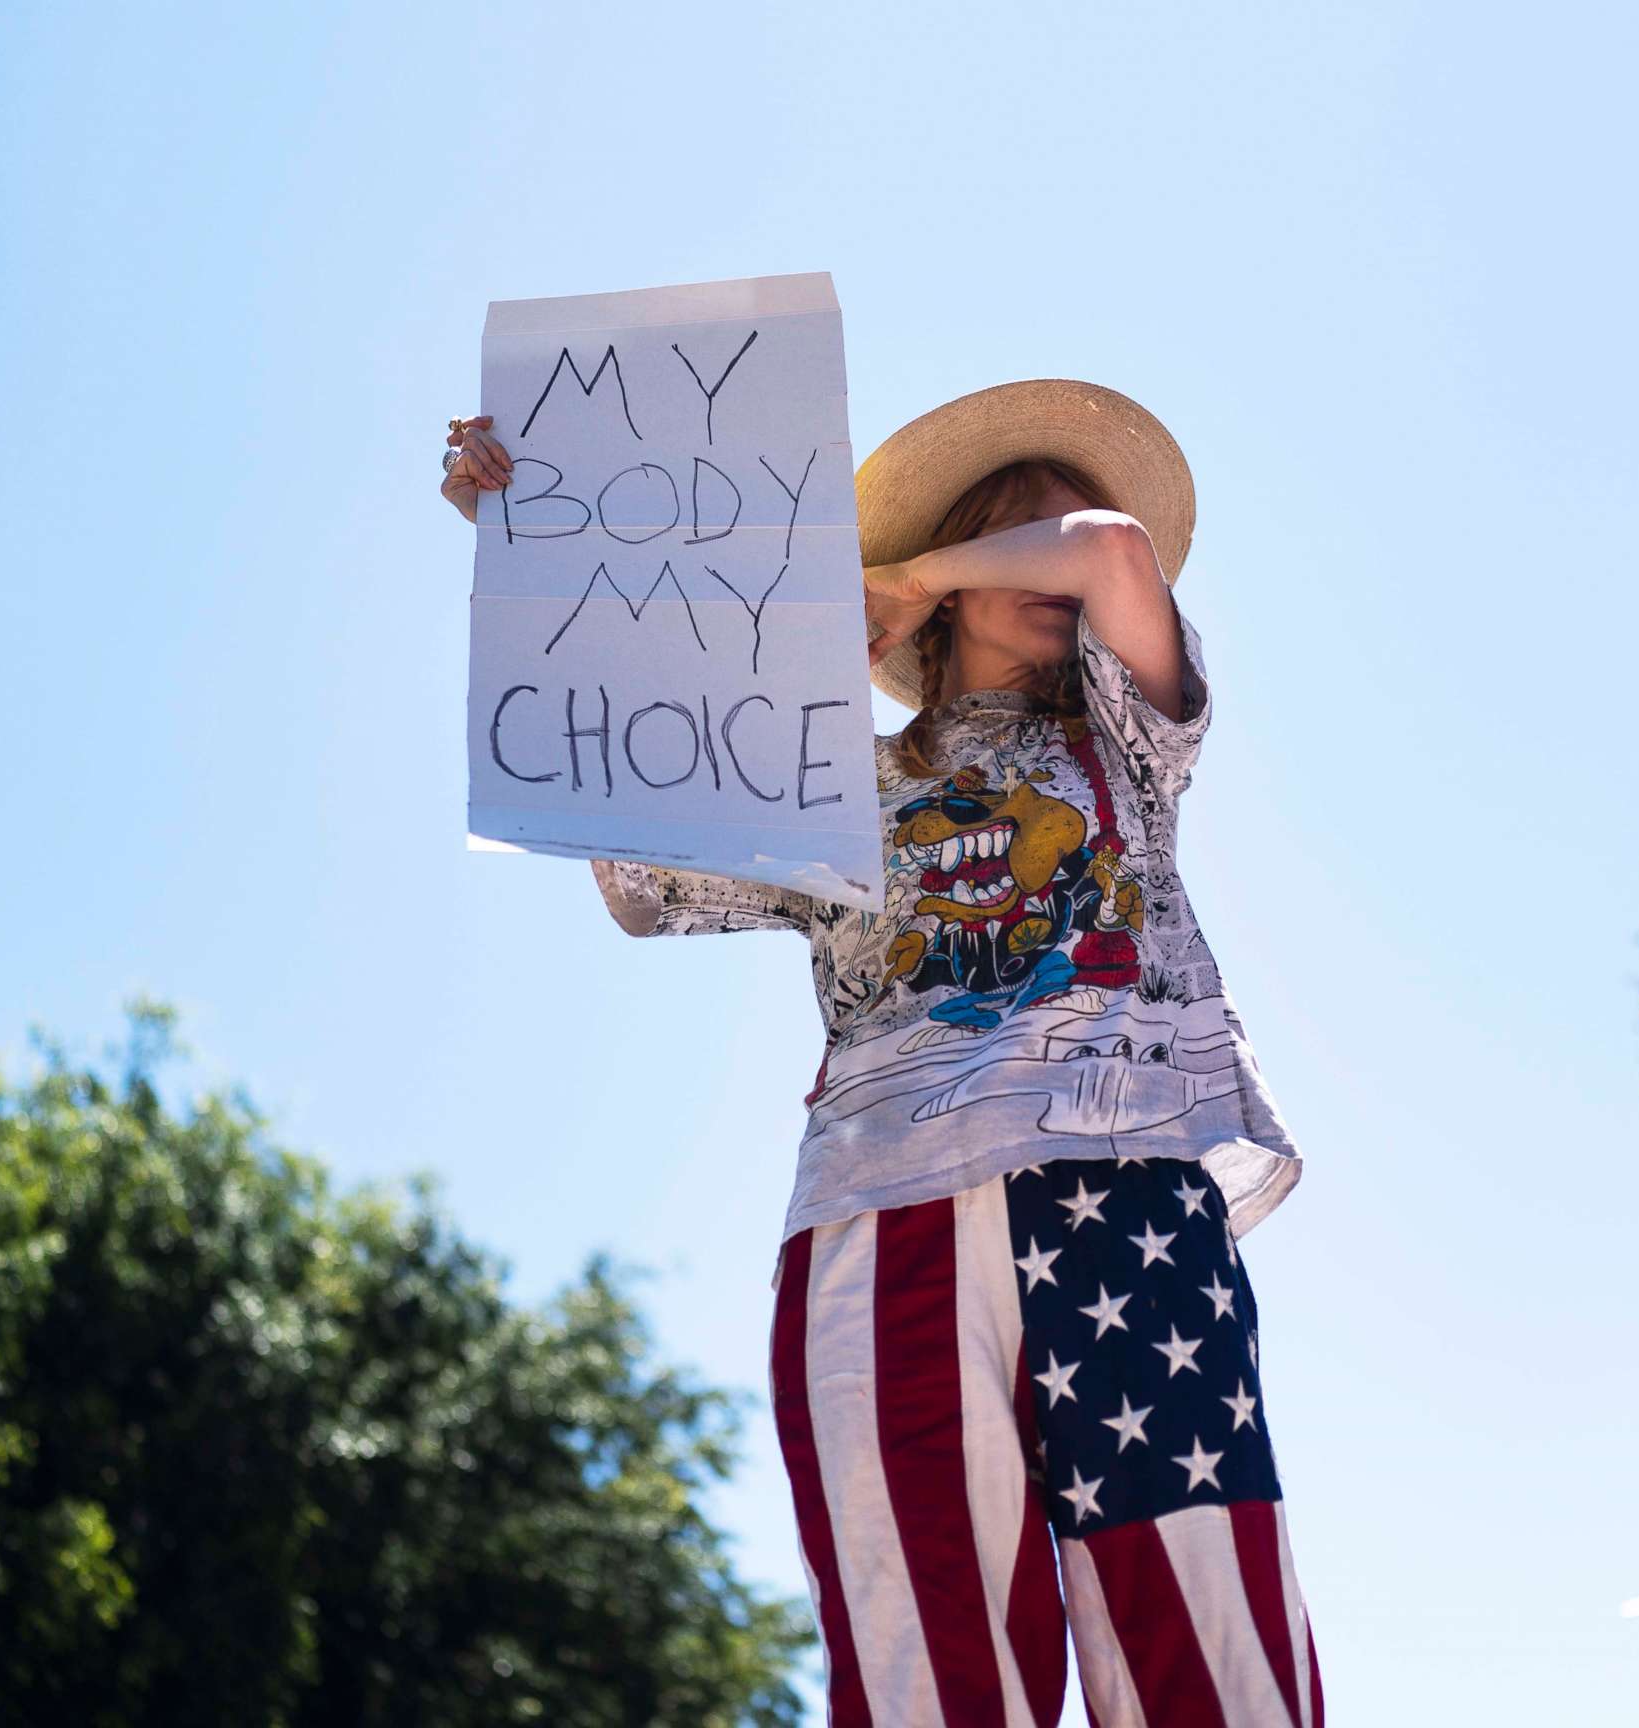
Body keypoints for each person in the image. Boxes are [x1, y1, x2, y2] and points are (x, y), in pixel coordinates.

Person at [440, 379, 1324, 1727]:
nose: (1057, 552)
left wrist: (906, 572)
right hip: (879, 1226)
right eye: (1010, 531)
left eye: (1046, 534)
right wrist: (528, 543)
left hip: (1125, 1194)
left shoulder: (1129, 745)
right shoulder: (830, 783)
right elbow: (626, 857)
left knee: (1210, 1645)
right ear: (963, 587)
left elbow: (1113, 551)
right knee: (927, 1672)